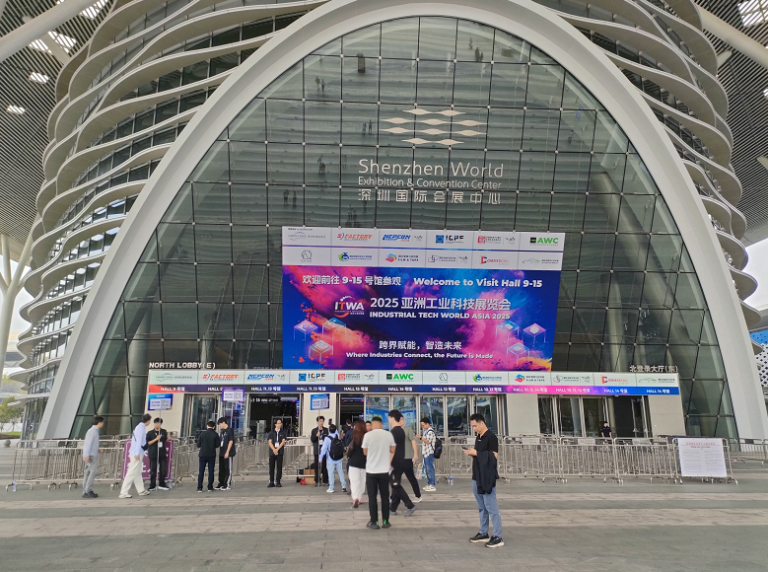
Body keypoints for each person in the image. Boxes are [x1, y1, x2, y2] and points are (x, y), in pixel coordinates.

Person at [464, 413, 503, 548]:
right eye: (472, 426)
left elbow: (493, 456)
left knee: (491, 507)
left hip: (487, 477)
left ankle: (498, 536)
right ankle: (483, 532)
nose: (474, 428)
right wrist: (472, 454)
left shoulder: (491, 437)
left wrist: (476, 453)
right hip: (477, 476)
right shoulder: (478, 437)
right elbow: (481, 456)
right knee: (481, 507)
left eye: (475, 426)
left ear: (482, 423)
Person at [362, 416, 395, 529]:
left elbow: (365, 452)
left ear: (372, 425)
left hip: (371, 471)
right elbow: (393, 449)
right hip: (384, 471)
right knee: (385, 497)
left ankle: (374, 522)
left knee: (372, 497)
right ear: (381, 425)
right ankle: (385, 521)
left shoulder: (367, 435)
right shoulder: (388, 434)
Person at [388, 410, 417, 517]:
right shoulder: (401, 430)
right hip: (401, 460)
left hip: (395, 462)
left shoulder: (393, 432)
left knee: (395, 484)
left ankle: (410, 505)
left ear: (392, 418)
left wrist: (389, 462)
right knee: (395, 484)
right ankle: (392, 508)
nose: (388, 419)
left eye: (389, 417)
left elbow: (392, 449)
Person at [119, 413, 152, 499]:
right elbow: (139, 441)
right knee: (132, 472)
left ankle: (141, 490)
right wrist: (137, 453)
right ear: (148, 421)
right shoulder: (140, 428)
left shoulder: (139, 427)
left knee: (137, 472)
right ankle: (124, 492)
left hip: (137, 452)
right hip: (137, 453)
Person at [397, 415, 421, 502]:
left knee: (411, 478)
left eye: (401, 419)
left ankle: (418, 496)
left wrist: (415, 454)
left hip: (407, 458)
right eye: (398, 419)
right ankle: (394, 497)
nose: (400, 421)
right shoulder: (395, 430)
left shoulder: (408, 429)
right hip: (398, 459)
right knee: (396, 479)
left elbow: (413, 441)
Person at [319, 423, 347, 494]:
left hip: (330, 459)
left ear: (329, 430)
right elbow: (336, 431)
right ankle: (344, 486)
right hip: (339, 458)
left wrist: (321, 457)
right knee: (340, 471)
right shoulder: (337, 436)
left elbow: (324, 449)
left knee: (331, 473)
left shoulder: (327, 438)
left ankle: (331, 488)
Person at [346, 420, 367, 508]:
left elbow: (347, 445)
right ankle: (360, 497)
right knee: (362, 480)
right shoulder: (367, 436)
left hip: (354, 461)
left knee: (354, 481)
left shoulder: (353, 435)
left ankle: (355, 498)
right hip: (364, 462)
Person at [82, 416, 104, 498]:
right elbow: (88, 444)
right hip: (91, 455)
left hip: (91, 454)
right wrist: (86, 455)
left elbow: (91, 443)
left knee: (88, 473)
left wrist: (97, 449)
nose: (103, 424)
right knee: (93, 471)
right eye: (102, 422)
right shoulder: (92, 431)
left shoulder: (94, 431)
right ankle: (88, 490)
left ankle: (85, 490)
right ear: (99, 422)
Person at [147, 418, 169, 491]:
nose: (156, 425)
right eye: (155, 423)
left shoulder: (163, 431)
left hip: (162, 452)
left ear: (160, 424)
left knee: (163, 469)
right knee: (153, 469)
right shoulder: (150, 433)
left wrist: (168, 438)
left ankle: (162, 484)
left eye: (158, 423)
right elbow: (148, 443)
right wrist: (156, 439)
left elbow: (165, 440)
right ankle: (152, 485)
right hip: (153, 453)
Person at [196, 421, 219, 492]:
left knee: (201, 471)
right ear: (214, 427)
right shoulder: (215, 434)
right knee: (211, 471)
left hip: (202, 454)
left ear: (207, 426)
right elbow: (217, 444)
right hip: (211, 454)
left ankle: (199, 487)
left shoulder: (202, 433)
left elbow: (198, 444)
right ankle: (210, 487)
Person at [216, 417, 236, 490]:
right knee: (221, 468)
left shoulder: (230, 431)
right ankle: (221, 482)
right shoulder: (222, 431)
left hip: (228, 452)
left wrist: (227, 452)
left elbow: (231, 441)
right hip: (222, 452)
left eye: (220, 424)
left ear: (224, 423)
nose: (219, 426)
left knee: (228, 468)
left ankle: (227, 484)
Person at [419, 417, 437, 491]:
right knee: (427, 469)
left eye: (423, 425)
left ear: (427, 424)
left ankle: (432, 484)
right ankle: (430, 483)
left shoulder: (430, 432)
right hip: (426, 452)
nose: (422, 427)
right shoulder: (426, 431)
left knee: (430, 469)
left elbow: (428, 441)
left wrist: (420, 438)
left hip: (429, 453)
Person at [310, 416, 329, 487]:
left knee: (325, 466)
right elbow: (312, 439)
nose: (321, 422)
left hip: (324, 450)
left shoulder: (326, 430)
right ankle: (317, 480)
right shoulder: (314, 430)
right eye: (320, 421)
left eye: (322, 421)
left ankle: (325, 480)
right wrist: (316, 435)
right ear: (317, 422)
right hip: (317, 450)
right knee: (317, 466)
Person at [268, 419, 286, 488]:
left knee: (279, 467)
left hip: (280, 451)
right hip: (272, 452)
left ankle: (278, 481)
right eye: (278, 423)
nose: (280, 424)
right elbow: (270, 442)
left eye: (280, 423)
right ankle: (271, 481)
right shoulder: (271, 432)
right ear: (275, 424)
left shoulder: (283, 432)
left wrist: (277, 449)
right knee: (271, 467)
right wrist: (274, 449)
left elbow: (283, 441)